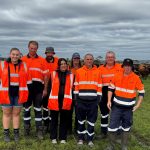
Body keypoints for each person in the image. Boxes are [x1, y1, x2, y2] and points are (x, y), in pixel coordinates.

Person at [106, 58, 145, 150]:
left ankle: (124, 146)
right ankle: (111, 146)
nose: (127, 68)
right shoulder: (116, 75)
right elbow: (110, 89)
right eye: (125, 66)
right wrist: (108, 101)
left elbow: (142, 92)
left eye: (129, 66)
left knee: (126, 127)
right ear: (123, 66)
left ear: (132, 67)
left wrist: (138, 104)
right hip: (116, 107)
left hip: (128, 109)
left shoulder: (136, 78)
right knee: (112, 127)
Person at [0, 48, 31, 142]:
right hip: (6, 93)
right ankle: (6, 133)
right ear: (10, 54)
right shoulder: (2, 65)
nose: (15, 56)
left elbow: (28, 81)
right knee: (6, 113)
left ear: (19, 55)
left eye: (17, 55)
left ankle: (16, 133)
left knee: (16, 114)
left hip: (19, 93)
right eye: (13, 54)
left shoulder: (24, 65)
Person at [22, 41, 49, 140]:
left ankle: (39, 130)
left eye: (35, 48)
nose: (33, 50)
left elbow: (46, 76)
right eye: (31, 48)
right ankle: (26, 129)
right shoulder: (22, 59)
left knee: (38, 109)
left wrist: (45, 89)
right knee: (26, 110)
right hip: (26, 89)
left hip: (38, 89)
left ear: (37, 49)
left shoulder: (42, 60)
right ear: (28, 47)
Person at [74, 53, 102, 147]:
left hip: (93, 101)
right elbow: (76, 85)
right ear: (84, 60)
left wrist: (98, 99)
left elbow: (99, 86)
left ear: (93, 60)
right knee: (80, 120)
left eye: (90, 59)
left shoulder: (98, 71)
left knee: (91, 121)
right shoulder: (79, 71)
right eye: (87, 59)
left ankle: (90, 139)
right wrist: (76, 99)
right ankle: (81, 138)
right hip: (81, 101)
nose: (89, 61)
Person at [48, 58, 74, 144]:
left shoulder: (71, 75)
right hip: (55, 100)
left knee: (64, 119)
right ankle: (53, 137)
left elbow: (73, 89)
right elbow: (49, 88)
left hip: (66, 100)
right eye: (61, 64)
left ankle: (63, 138)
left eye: (65, 64)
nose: (63, 65)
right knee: (54, 119)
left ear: (67, 65)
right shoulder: (53, 74)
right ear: (59, 65)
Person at [98, 51, 122, 139]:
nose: (110, 58)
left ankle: (118, 133)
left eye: (112, 57)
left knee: (117, 113)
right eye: (108, 57)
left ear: (115, 58)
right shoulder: (100, 68)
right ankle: (103, 132)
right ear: (105, 58)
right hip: (104, 93)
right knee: (104, 114)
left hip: (117, 92)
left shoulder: (120, 67)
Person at [42, 47, 59, 134]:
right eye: (48, 53)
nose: (49, 54)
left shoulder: (58, 61)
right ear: (45, 53)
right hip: (45, 85)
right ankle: (45, 124)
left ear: (53, 53)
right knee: (45, 107)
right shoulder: (42, 61)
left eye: (51, 53)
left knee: (53, 106)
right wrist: (44, 88)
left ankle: (53, 124)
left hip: (56, 86)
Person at [68, 52, 82, 134]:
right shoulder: (69, 69)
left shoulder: (82, 68)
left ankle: (77, 128)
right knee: (69, 112)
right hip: (70, 92)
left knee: (78, 112)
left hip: (79, 92)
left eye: (77, 58)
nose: (76, 60)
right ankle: (69, 129)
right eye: (74, 58)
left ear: (79, 60)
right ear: (72, 59)